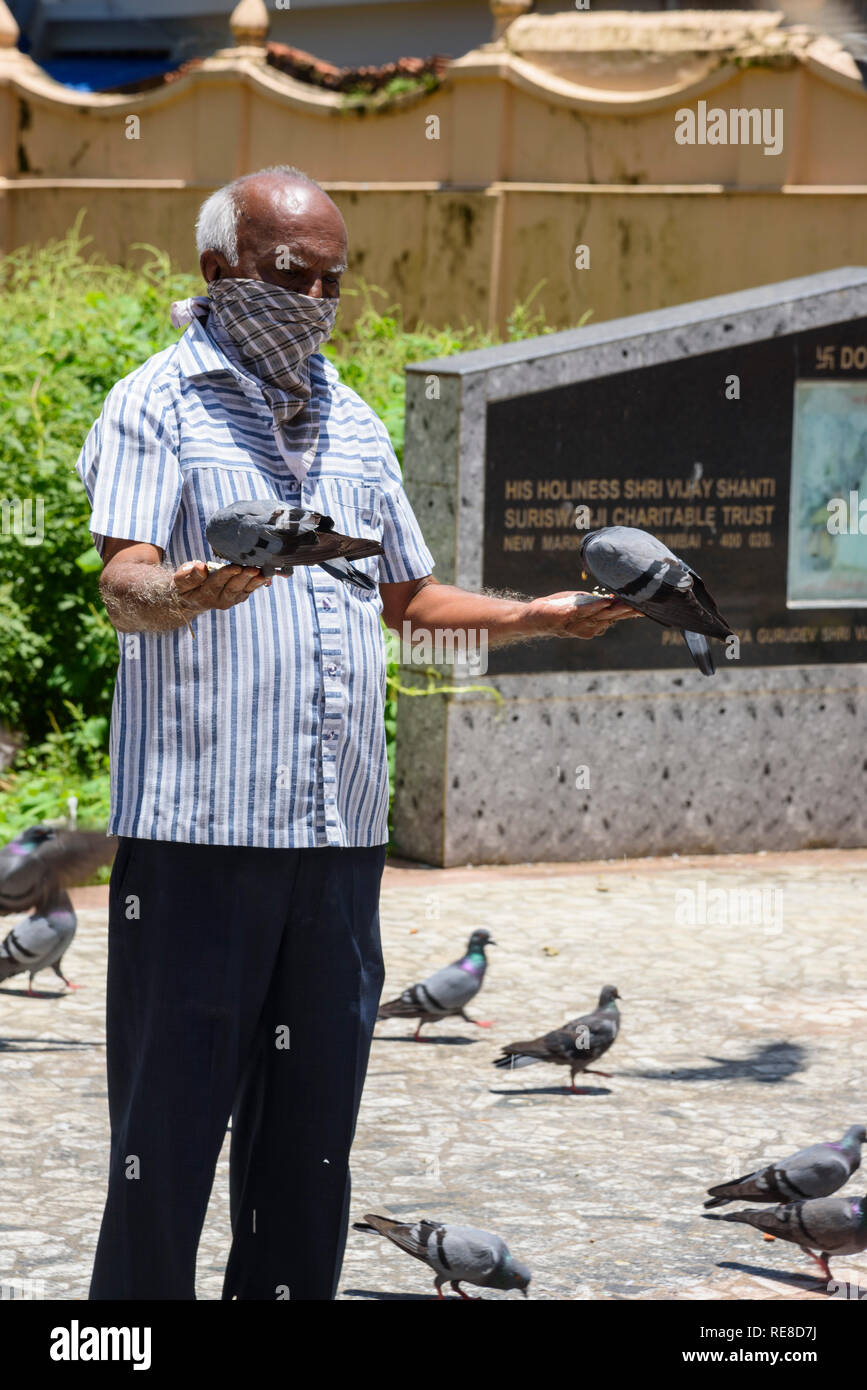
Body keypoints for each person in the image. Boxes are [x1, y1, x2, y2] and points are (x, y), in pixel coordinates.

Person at [77, 164, 638, 1301]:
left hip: (334, 847)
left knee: (309, 1157)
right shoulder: (156, 402)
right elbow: (122, 579)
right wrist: (190, 589)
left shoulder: (357, 422)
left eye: (335, 278)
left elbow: (409, 599)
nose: (318, 297)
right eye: (295, 274)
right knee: (165, 1148)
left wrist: (537, 615)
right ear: (218, 271)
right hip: (198, 844)